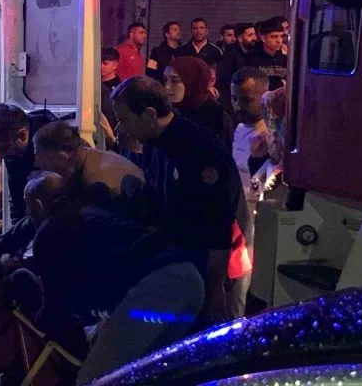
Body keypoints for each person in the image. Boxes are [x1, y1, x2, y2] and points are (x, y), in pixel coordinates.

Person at [26, 173, 203, 384]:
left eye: (28, 207)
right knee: (150, 376)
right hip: (190, 280)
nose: (27, 214)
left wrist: (33, 316)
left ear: (38, 205)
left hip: (157, 289)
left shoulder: (49, 232)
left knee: (97, 379)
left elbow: (55, 309)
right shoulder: (90, 213)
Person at [111, 77, 246, 326]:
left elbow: (218, 224)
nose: (120, 128)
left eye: (125, 120)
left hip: (202, 268)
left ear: (150, 115)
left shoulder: (200, 149)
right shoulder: (154, 144)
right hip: (173, 262)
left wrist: (214, 287)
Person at [33, 120, 144, 201]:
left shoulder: (95, 185)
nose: (36, 163)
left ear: (62, 157)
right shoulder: (90, 156)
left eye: (39, 156)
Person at [0, 103, 57, 224]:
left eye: (4, 147)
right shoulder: (13, 152)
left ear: (23, 135)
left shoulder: (54, 146)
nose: (1, 155)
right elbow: (17, 201)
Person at [164, 56, 233, 150]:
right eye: (165, 80)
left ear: (193, 81)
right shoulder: (168, 112)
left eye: (175, 81)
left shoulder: (216, 117)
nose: (167, 86)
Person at [230, 67, 270, 216]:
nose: (238, 106)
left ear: (264, 98)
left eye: (246, 100)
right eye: (234, 98)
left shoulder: (271, 137)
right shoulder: (239, 128)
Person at [217, 22, 258, 115]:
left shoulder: (255, 51)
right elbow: (224, 78)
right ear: (240, 38)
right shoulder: (230, 54)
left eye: (255, 34)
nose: (254, 38)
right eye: (250, 35)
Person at [250, 17, 288, 90]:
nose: (279, 41)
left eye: (281, 36)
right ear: (263, 38)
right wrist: (281, 84)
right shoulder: (252, 58)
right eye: (274, 37)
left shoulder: (285, 59)